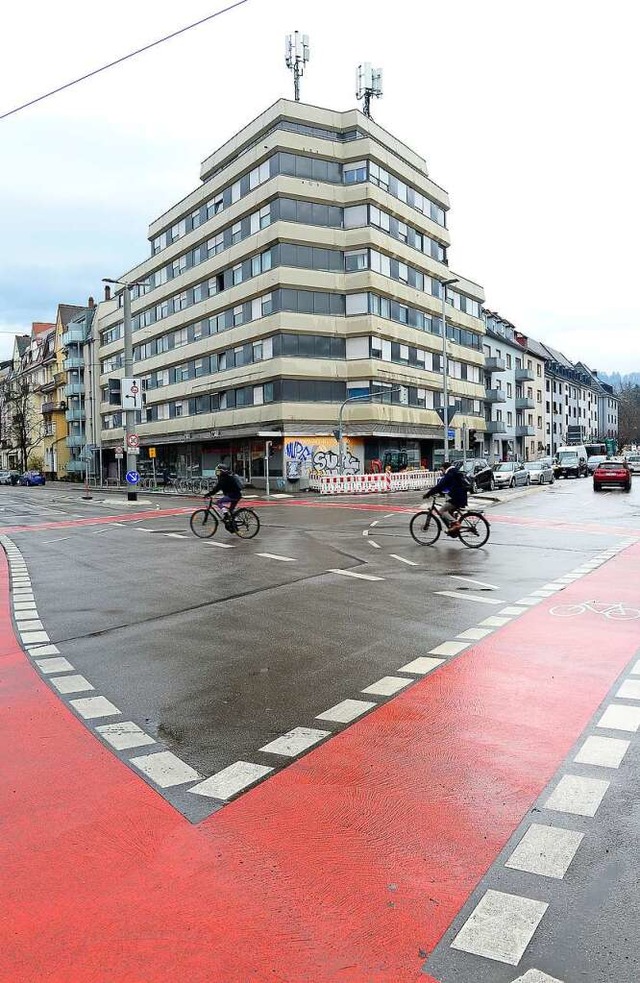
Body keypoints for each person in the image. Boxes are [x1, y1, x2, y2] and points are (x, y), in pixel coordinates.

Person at [422, 461, 468, 536]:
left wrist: (428, 494)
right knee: (449, 511)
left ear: (445, 468)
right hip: (461, 496)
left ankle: (456, 524)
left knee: (442, 511)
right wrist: (441, 493)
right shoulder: (455, 472)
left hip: (457, 498)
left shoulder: (449, 474)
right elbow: (447, 486)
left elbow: (439, 486)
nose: (441, 472)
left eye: (442, 470)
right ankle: (453, 530)